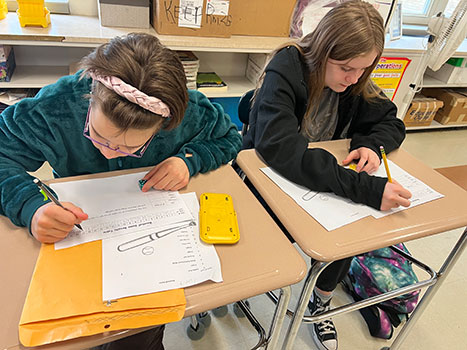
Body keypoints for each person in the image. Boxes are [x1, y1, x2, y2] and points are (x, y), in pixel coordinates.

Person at [0, 33, 241, 349]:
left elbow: (229, 139)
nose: (112, 153)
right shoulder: (53, 108)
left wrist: (188, 161)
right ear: (91, 98)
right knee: (73, 331)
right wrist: (30, 205)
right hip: (77, 237)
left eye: (132, 146)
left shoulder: (188, 111)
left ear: (162, 125)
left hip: (149, 245)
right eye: (99, 137)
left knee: (139, 334)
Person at [242, 1, 412, 350]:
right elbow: (280, 150)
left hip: (319, 176)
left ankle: (321, 297)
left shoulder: (355, 78)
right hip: (267, 178)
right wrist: (364, 187)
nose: (353, 78)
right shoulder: (287, 66)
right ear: (321, 51)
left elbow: (391, 122)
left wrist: (369, 143)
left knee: (351, 227)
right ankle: (247, 287)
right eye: (346, 68)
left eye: (363, 69)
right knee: (269, 240)